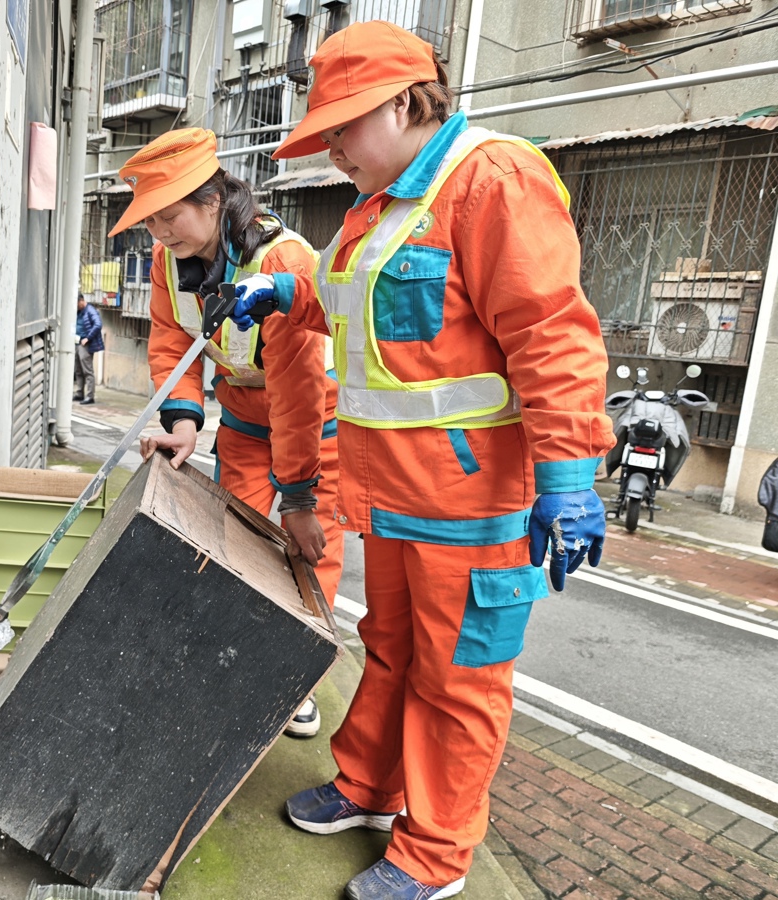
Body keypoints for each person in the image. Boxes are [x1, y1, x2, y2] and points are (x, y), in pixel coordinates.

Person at [229, 21, 615, 900]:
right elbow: (348, 305)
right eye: (324, 134)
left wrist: (566, 475)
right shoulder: (381, 209)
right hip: (397, 499)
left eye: (343, 128)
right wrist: (285, 290)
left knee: (460, 682)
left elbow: (552, 334)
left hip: (477, 503)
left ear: (406, 100)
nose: (333, 152)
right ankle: (370, 787)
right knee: (391, 647)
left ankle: (434, 858)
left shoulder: (493, 180)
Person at [107, 127, 344, 738]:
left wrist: (298, 497)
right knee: (236, 538)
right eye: (150, 224)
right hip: (241, 414)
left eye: (168, 218)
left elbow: (297, 391)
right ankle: (239, 653)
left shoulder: (279, 261)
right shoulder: (167, 260)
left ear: (212, 201)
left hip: (315, 424)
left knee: (309, 551)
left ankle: (296, 682)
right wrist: (184, 421)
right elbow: (170, 340)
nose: (159, 236)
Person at [74, 292, 103, 405]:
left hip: (85, 345)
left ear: (81, 301)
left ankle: (90, 396)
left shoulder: (90, 310)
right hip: (76, 343)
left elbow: (98, 324)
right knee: (78, 370)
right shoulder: (78, 311)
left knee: (87, 371)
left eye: (77, 303)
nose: (76, 306)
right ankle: (79, 393)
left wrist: (88, 338)